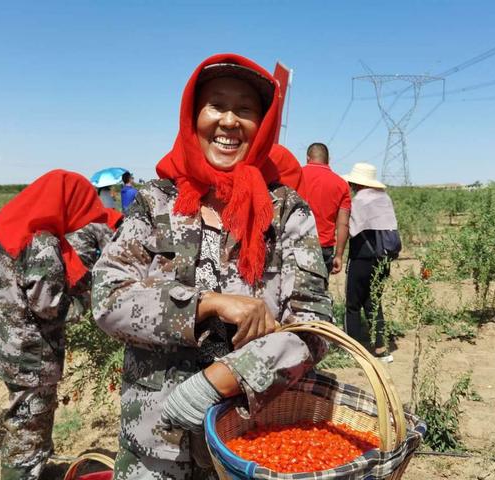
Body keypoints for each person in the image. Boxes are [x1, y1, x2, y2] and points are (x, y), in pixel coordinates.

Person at [92, 53, 333, 479]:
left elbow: (313, 328)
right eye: (216, 105)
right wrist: (205, 304)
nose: (228, 121)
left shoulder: (287, 213)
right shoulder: (155, 204)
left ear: (263, 127)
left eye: (245, 110)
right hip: (154, 440)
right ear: (193, 116)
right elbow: (108, 300)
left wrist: (224, 378)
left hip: (248, 443)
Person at [0, 169, 108, 480]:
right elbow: (48, 305)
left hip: (8, 344)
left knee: (23, 420)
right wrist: (91, 303)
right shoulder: (43, 242)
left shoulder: (20, 226)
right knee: (28, 430)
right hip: (30, 355)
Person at [342, 162, 398, 363]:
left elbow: (350, 228)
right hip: (383, 257)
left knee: (353, 304)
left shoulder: (359, 201)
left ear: (357, 182)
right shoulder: (385, 199)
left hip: (361, 257)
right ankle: (382, 349)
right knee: (374, 301)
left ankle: (354, 350)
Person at [300, 142, 351, 278]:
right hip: (323, 248)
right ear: (328, 160)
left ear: (307, 158)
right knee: (319, 293)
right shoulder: (341, 184)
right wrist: (339, 255)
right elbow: (343, 224)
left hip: (296, 244)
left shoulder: (296, 176)